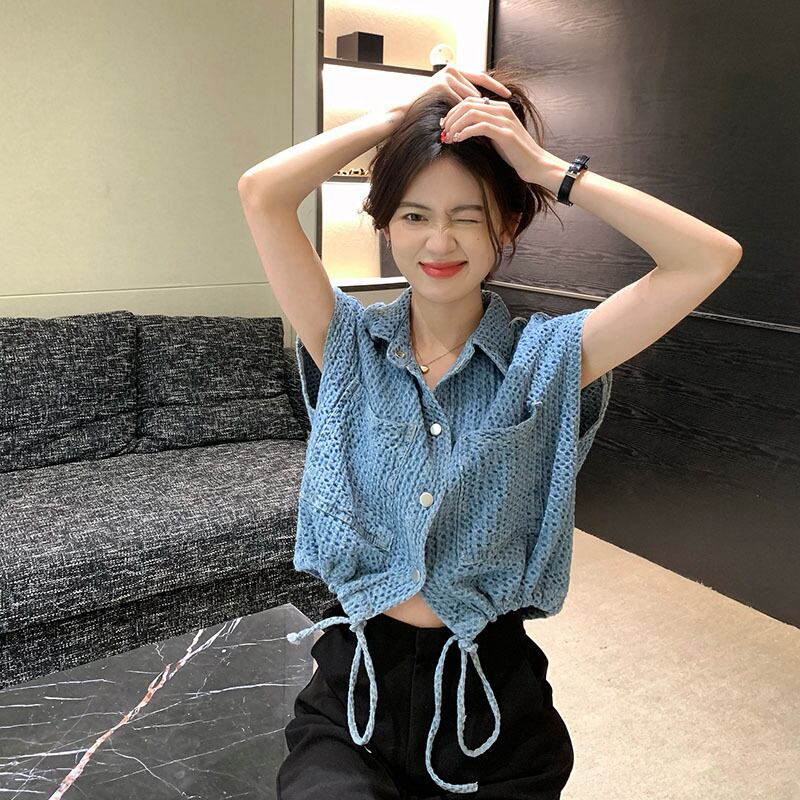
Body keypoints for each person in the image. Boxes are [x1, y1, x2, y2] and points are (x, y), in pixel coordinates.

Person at [238, 55, 742, 799]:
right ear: (386, 225)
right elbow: (262, 193)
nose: (438, 242)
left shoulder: (552, 359)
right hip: (355, 696)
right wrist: (400, 119)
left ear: (506, 224)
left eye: (467, 216)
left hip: (492, 703)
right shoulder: (345, 344)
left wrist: (547, 170)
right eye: (414, 215)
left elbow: (707, 258)